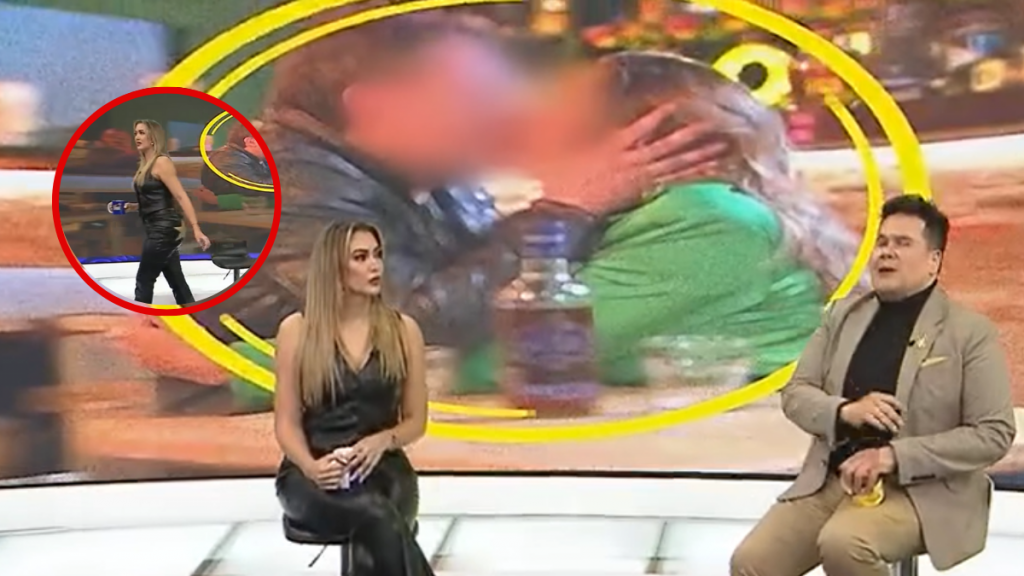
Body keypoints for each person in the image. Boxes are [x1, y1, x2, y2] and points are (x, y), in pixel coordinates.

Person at [197, 9, 724, 347]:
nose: (508, 115)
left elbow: (478, 287)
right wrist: (564, 212)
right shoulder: (274, 182)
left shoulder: (439, 184)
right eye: (476, 98)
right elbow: (401, 329)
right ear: (374, 105)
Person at [457, 52, 861, 390]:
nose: (527, 117)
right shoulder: (665, 212)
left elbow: (506, 365)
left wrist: (565, 207)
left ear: (637, 140)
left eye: (559, 107)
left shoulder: (705, 220)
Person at [729, 195, 1016, 576]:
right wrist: (845, 411)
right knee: (751, 563)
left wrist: (892, 456)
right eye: (882, 242)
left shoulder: (969, 333)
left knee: (845, 544)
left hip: (922, 492)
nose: (886, 252)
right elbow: (796, 394)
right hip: (833, 481)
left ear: (934, 261)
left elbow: (994, 433)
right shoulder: (841, 316)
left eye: (903, 243)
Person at [274, 221, 431, 575]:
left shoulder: (403, 331)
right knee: (376, 517)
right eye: (360, 257)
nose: (374, 265)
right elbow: (286, 423)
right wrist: (312, 468)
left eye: (377, 255)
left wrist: (382, 440)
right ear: (334, 267)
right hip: (313, 471)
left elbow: (416, 421)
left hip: (385, 468)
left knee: (380, 517)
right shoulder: (297, 331)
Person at [122, 119, 211, 305]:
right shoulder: (145, 165)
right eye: (136, 133)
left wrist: (196, 228)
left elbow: (180, 196)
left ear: (153, 137)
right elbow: (156, 198)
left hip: (165, 228)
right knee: (176, 279)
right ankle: (192, 311)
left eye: (142, 133)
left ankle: (141, 318)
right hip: (155, 226)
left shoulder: (161, 162)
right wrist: (133, 206)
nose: (137, 137)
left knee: (144, 280)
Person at [198, 118, 272, 205]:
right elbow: (258, 188)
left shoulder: (260, 159)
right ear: (251, 142)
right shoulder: (227, 158)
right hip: (226, 213)